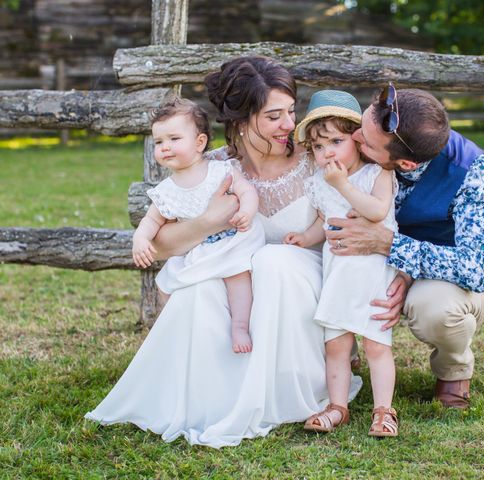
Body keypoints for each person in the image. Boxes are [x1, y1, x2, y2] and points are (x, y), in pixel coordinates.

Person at [85, 57, 362, 448]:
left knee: (271, 261)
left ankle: (289, 384)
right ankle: (210, 396)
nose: (289, 125)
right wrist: (208, 222)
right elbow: (163, 244)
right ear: (242, 122)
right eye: (274, 116)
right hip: (239, 285)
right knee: (199, 287)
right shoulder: (211, 168)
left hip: (300, 282)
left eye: (291, 112)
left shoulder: (315, 158)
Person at [325, 83, 484, 409]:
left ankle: (453, 369)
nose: (355, 139)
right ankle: (337, 353)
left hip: (447, 281)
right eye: (361, 127)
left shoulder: (470, 169)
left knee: (434, 307)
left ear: (404, 163)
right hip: (375, 263)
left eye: (366, 140)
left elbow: (475, 269)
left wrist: (393, 249)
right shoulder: (356, 153)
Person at [284, 90, 399, 437]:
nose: (327, 152)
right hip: (338, 275)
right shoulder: (319, 183)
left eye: (336, 141)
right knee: (336, 344)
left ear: (357, 139)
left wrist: (343, 184)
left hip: (372, 274)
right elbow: (326, 220)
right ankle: (337, 406)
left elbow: (377, 212)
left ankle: (383, 410)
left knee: (376, 344)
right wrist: (306, 237)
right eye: (318, 147)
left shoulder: (376, 173)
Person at [132, 98, 263, 353]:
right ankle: (171, 328)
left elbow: (248, 191)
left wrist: (246, 211)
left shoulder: (219, 170)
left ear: (200, 142)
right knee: (165, 281)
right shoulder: (165, 190)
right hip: (197, 249)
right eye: (159, 142)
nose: (165, 147)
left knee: (238, 277)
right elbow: (151, 220)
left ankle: (239, 326)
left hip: (229, 241)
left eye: (174, 139)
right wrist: (140, 239)